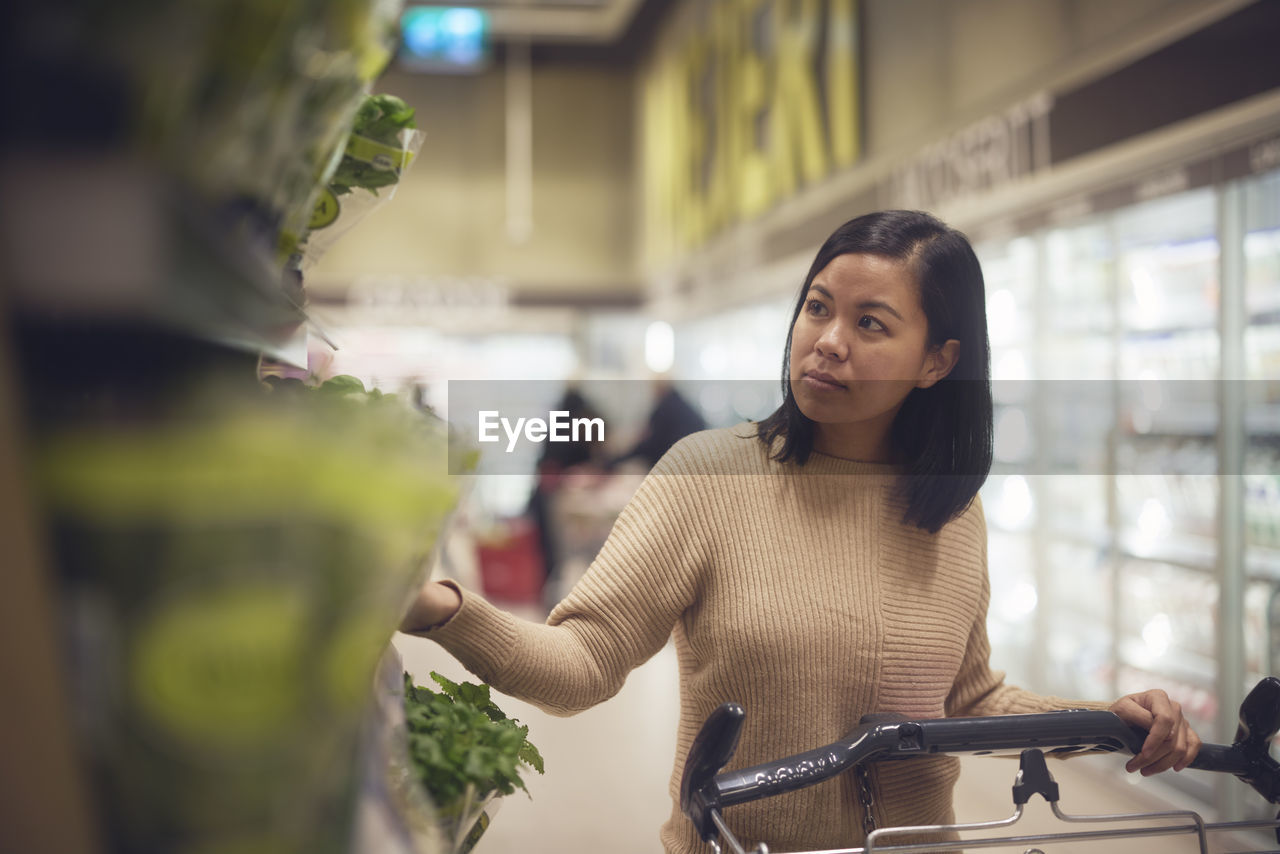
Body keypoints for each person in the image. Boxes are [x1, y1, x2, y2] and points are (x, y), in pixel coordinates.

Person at [401, 210, 1201, 853]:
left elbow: (965, 700)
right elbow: (584, 662)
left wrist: (1102, 722)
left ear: (937, 361)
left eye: (871, 323)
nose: (828, 340)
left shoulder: (949, 508)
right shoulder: (709, 475)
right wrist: (443, 608)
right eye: (818, 307)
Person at [606, 375, 707, 471]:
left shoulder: (666, 407)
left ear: (658, 387)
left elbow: (651, 444)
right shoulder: (678, 403)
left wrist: (616, 461)